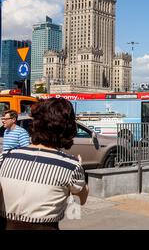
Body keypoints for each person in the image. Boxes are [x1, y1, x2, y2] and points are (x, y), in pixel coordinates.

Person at [0, 98, 89, 230]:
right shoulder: (71, 166)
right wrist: (80, 169)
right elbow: (81, 199)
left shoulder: (5, 157)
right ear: (68, 128)